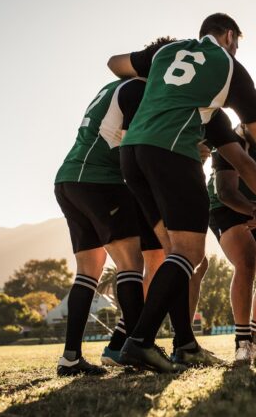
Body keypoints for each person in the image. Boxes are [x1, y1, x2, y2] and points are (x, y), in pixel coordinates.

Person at [108, 13, 256, 372]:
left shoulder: (170, 53)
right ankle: (139, 340)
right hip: (171, 153)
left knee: (177, 255)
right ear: (228, 36)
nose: (236, 49)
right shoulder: (228, 66)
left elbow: (115, 64)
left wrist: (157, 82)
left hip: (133, 153)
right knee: (189, 254)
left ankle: (183, 345)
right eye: (236, 42)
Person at [53, 39, 175, 377]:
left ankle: (71, 358)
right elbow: (135, 144)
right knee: (131, 263)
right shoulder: (138, 89)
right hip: (100, 180)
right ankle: (136, 348)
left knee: (89, 270)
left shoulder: (114, 86)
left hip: (69, 179)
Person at [207, 96, 256, 362]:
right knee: (246, 259)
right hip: (225, 206)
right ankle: (241, 343)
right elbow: (227, 193)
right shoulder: (228, 142)